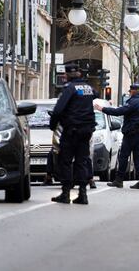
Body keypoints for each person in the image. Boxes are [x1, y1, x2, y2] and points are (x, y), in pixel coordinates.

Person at [49, 64, 98, 205]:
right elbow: (96, 94)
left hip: (71, 131)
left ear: (69, 75)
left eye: (65, 74)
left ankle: (65, 193)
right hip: (86, 131)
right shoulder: (88, 88)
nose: (63, 76)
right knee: (81, 162)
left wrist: (53, 125)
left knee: (65, 161)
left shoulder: (69, 89)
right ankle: (83, 194)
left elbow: (58, 110)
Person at [94, 84, 139, 190]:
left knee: (124, 156)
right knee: (138, 157)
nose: (129, 93)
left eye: (130, 91)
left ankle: (119, 180)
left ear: (133, 91)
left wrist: (103, 109)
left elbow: (118, 112)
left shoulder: (133, 103)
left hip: (131, 134)